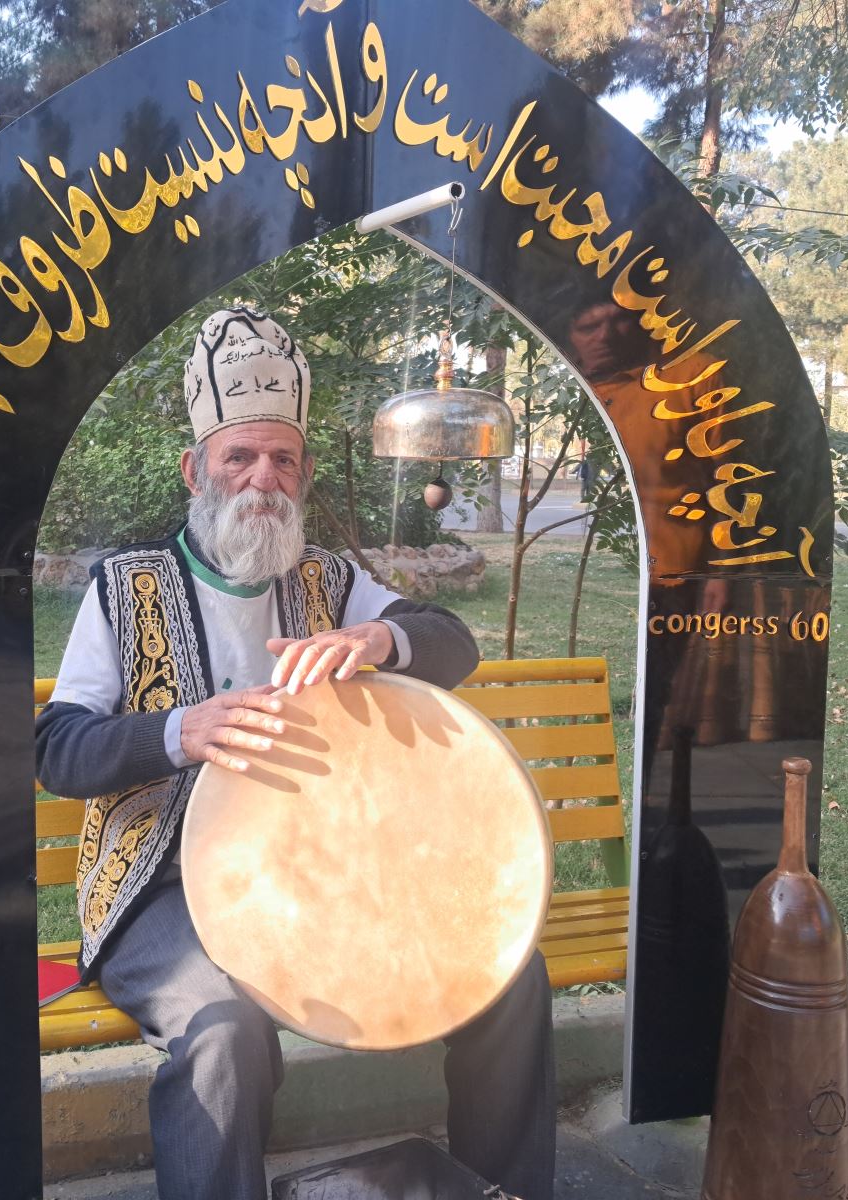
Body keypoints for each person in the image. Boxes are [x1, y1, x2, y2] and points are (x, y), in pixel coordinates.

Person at [34, 307, 554, 1200]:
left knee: (509, 973)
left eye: (282, 459)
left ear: (304, 474)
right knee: (224, 1027)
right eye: (239, 457)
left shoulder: (330, 580)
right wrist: (180, 731)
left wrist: (381, 642)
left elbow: (452, 641)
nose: (262, 479)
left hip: (328, 875)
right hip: (160, 888)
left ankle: (504, 1193)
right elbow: (57, 747)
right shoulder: (125, 588)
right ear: (196, 469)